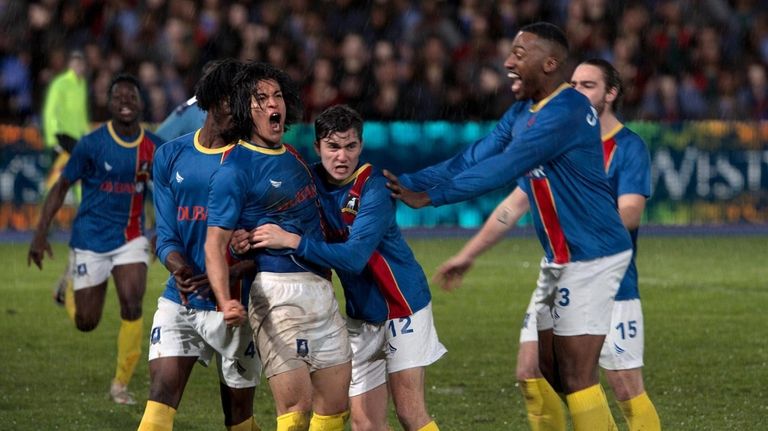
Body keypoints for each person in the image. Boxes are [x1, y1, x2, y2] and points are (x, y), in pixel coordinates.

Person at [384, 22, 633, 430]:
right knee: (544, 371)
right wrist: (406, 183)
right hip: (560, 258)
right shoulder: (523, 112)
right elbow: (474, 156)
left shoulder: (567, 112)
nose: (508, 62)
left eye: (519, 55)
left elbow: (503, 167)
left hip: (593, 255)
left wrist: (430, 198)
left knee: (576, 375)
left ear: (550, 63)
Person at [250, 105, 445, 431]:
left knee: (410, 412)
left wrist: (293, 241)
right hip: (361, 314)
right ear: (318, 148)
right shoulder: (308, 181)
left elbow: (354, 258)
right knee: (364, 422)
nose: (342, 157)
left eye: (350, 146)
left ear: (361, 146)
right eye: (333, 147)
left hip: (403, 306)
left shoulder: (375, 188)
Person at [203, 62, 352, 431]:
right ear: (244, 109)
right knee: (296, 412)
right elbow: (214, 243)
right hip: (278, 295)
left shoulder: (294, 155)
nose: (274, 104)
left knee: (335, 410)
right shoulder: (235, 168)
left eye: (277, 96)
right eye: (261, 98)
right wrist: (225, 301)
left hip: (321, 289)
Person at [137, 59, 263, 431]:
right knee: (158, 407)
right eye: (231, 101)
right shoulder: (170, 156)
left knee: (238, 420)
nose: (239, 111)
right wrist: (178, 267)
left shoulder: (254, 162)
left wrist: (222, 275)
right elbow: (166, 234)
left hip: (235, 305)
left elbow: (266, 248)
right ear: (209, 101)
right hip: (181, 298)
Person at [28, 73, 162, 405]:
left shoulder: (154, 147)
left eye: (131, 97)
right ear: (108, 103)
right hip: (89, 239)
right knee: (86, 322)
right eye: (119, 98)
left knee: (132, 302)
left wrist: (163, 231)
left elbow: (171, 192)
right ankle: (67, 287)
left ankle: (120, 384)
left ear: (141, 102)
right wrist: (40, 233)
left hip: (131, 237)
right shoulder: (91, 144)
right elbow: (60, 188)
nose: (126, 102)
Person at [41, 49, 90, 311]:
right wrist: (54, 141)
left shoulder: (81, 86)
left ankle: (78, 214)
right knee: (57, 185)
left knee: (73, 183)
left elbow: (80, 115)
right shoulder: (62, 84)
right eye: (77, 62)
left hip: (76, 141)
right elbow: (51, 111)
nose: (79, 67)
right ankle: (45, 223)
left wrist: (85, 137)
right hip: (64, 140)